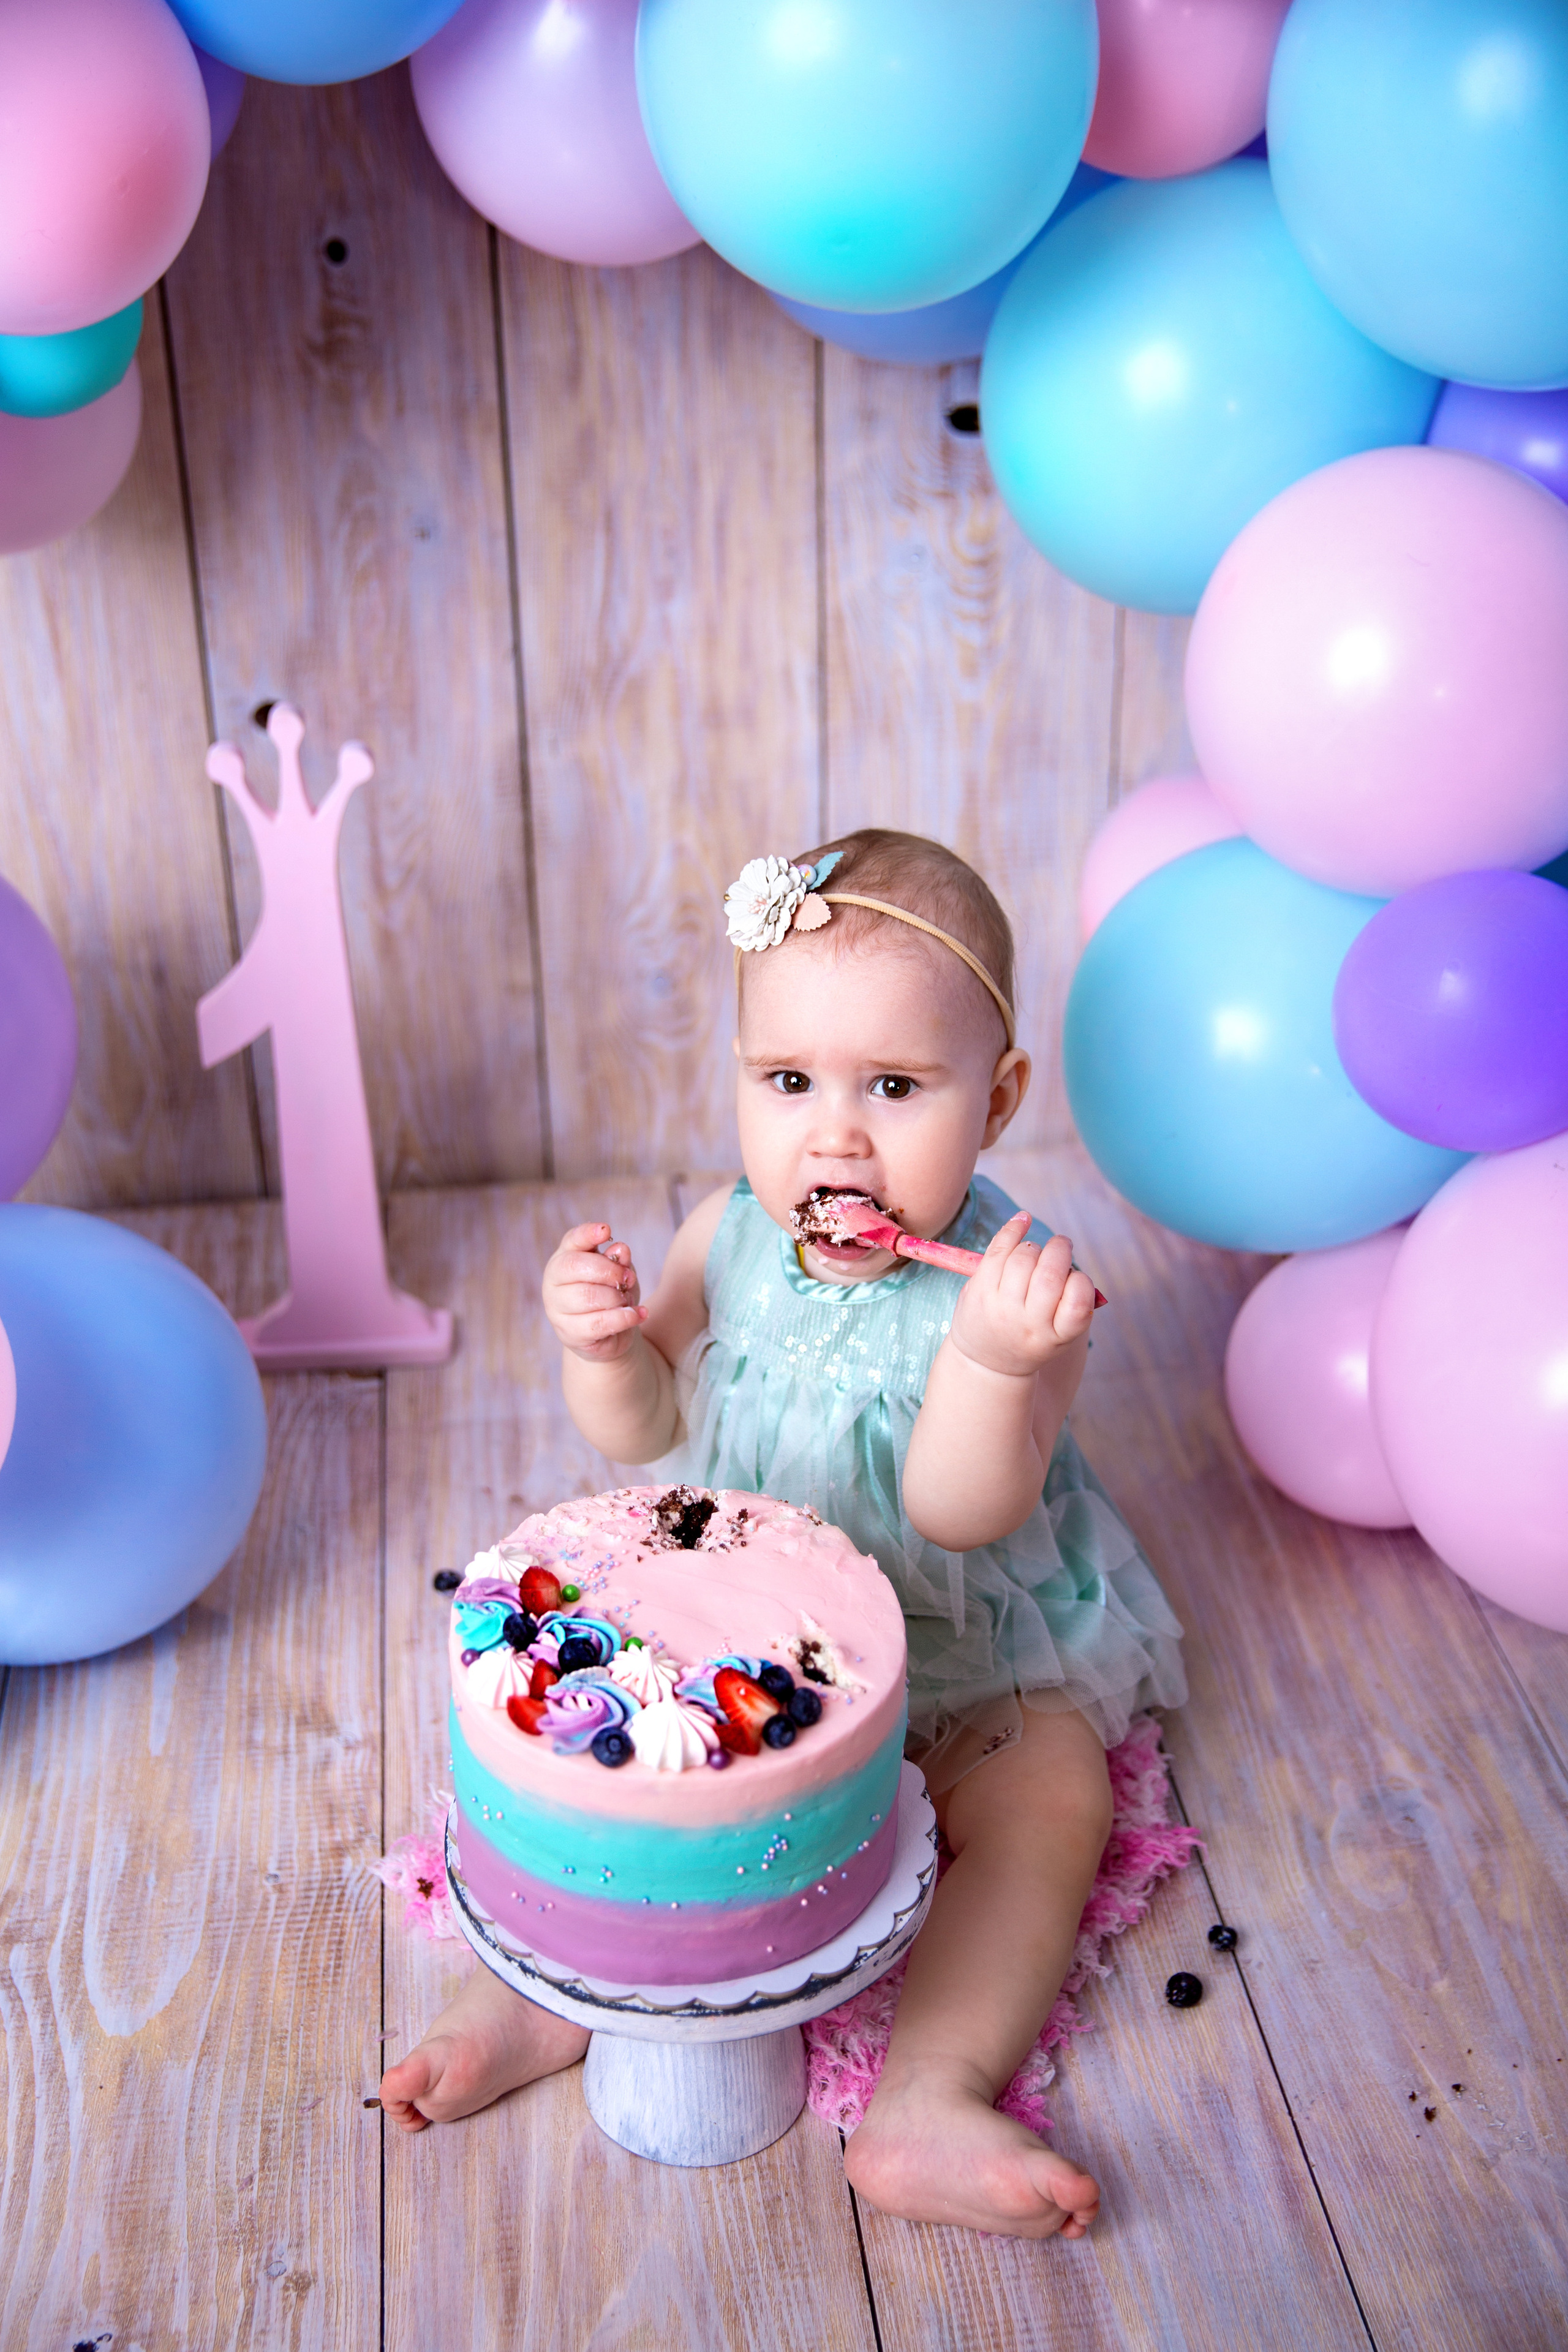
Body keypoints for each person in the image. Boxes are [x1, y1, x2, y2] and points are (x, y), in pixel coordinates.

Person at [380, 829, 1185, 2240]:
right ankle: (551, 2000)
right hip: (742, 1648)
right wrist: (604, 1345)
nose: (834, 1133)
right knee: (631, 1794)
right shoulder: (726, 1234)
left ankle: (931, 2092)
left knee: (1049, 1806)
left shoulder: (1012, 1292)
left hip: (961, 1652)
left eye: (894, 1086)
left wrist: (995, 1364)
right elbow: (638, 1431)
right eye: (788, 1081)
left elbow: (958, 1509)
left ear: (994, 1101)